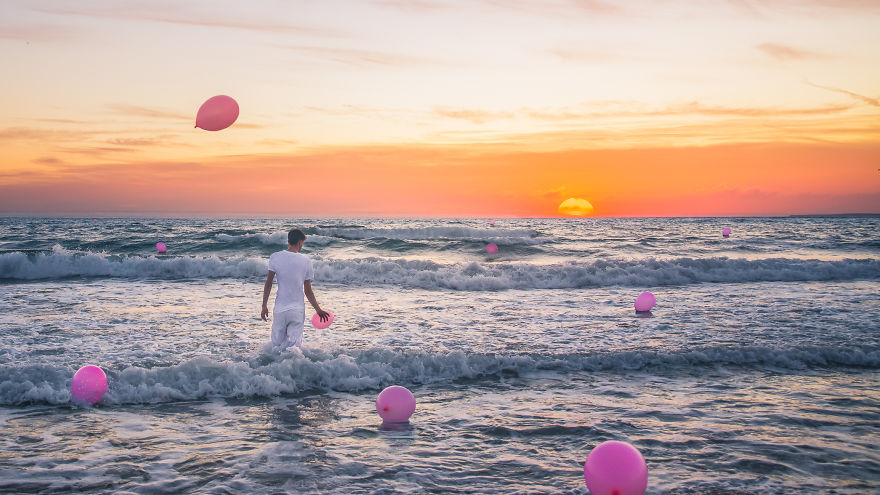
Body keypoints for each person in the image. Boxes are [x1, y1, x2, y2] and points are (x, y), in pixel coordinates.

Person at [261, 228, 330, 349]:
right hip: (297, 311)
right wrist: (318, 310)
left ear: (288, 241)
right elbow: (308, 291)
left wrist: (264, 305)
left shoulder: (275, 257)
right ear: (299, 242)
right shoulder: (306, 261)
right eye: (302, 243)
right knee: (293, 350)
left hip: (280, 310)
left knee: (275, 347)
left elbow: (268, 283)